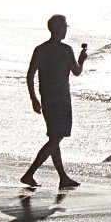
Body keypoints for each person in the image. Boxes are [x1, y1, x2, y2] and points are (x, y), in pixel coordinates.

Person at [23, 14, 87, 188]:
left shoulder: (40, 49)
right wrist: (81, 61)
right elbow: (77, 71)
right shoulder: (66, 50)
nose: (66, 29)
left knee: (54, 138)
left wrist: (34, 99)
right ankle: (29, 174)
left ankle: (63, 178)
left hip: (47, 100)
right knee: (56, 139)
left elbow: (30, 76)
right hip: (61, 100)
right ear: (59, 29)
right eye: (65, 26)